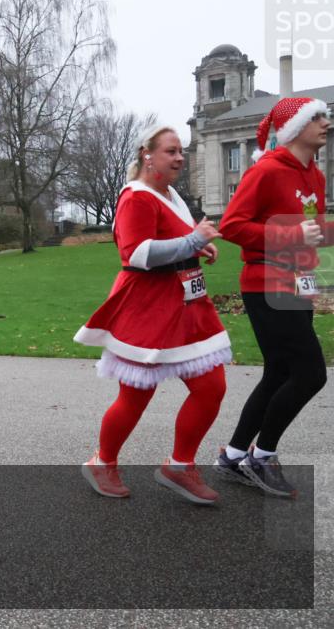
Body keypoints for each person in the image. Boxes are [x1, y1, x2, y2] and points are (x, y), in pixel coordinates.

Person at [74, 125, 230, 505]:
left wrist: (195, 248)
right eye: (170, 151)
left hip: (187, 306)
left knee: (211, 388)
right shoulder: (135, 197)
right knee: (135, 397)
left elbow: (173, 241)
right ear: (148, 155)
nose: (179, 158)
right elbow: (137, 253)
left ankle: (179, 466)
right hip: (148, 308)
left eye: (181, 151)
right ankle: (102, 462)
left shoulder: (171, 195)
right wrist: (192, 241)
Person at [214, 97, 332, 497]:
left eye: (325, 116)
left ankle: (233, 455)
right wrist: (290, 235)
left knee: (280, 373)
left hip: (298, 282)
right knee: (311, 373)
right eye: (316, 117)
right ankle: (261, 456)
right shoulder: (265, 171)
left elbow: (314, 232)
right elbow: (231, 225)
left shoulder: (316, 177)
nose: (326, 122)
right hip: (266, 281)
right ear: (295, 127)